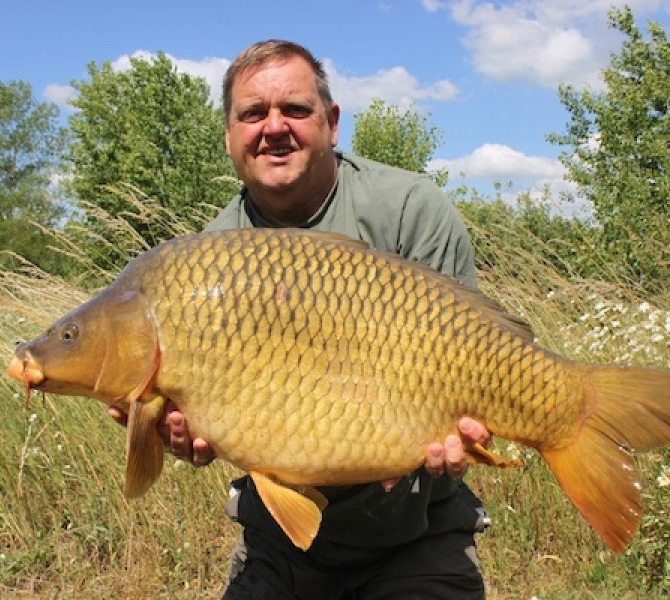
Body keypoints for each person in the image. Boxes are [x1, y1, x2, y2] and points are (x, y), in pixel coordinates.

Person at [113, 40, 492, 599]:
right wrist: (176, 431)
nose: (274, 127)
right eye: (252, 113)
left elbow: (472, 355)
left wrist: (460, 432)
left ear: (331, 122)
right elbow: (202, 426)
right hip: (278, 546)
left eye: (294, 109)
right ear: (228, 133)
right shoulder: (203, 262)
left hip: (418, 537)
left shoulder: (409, 208)